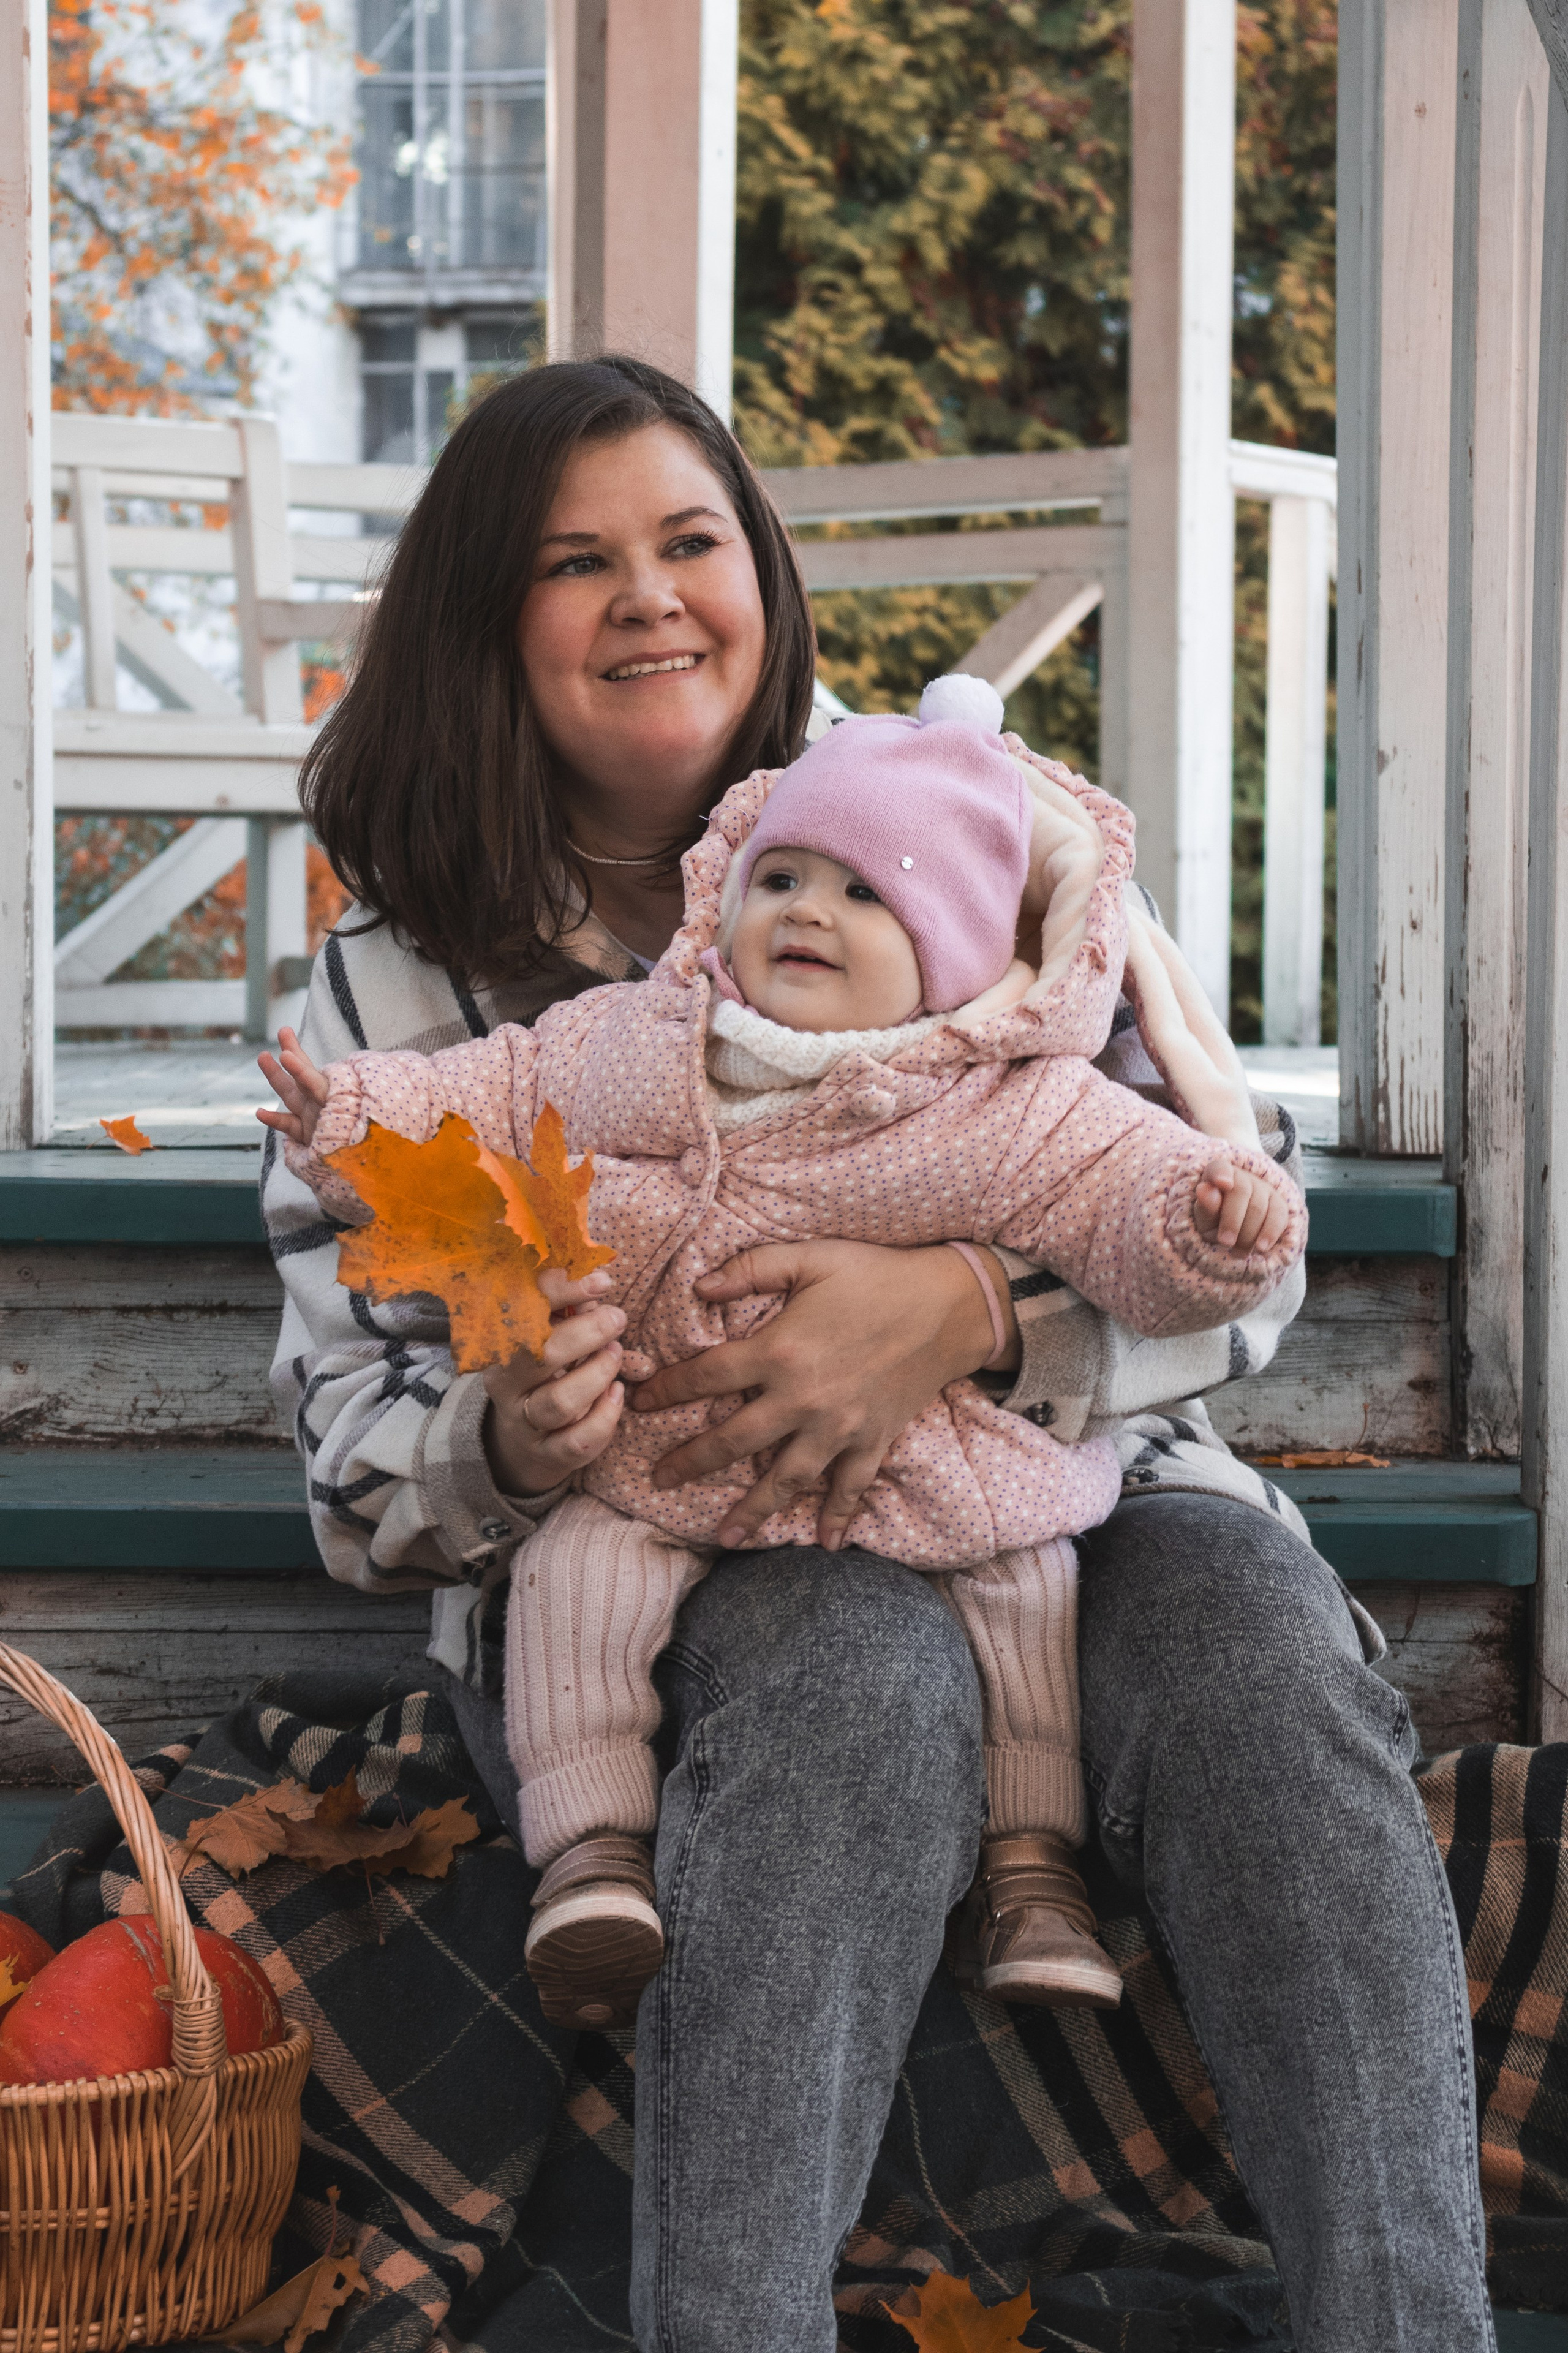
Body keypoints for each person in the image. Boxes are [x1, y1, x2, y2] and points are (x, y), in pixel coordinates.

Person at [262, 354, 1496, 2353]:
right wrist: (506, 1433)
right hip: (665, 1560)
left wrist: (978, 1310)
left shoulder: (974, 827)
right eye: (578, 564)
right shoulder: (401, 975)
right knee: (848, 1666)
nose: (651, 597)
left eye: (691, 540)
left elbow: (1237, 1256)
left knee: (1253, 1632)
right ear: (494, 627)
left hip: (1063, 1484)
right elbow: (358, 1464)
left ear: (763, 572)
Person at [260, 676, 1305, 2030]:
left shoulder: (1002, 1057)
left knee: (1030, 1591)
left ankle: (1031, 1866)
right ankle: (588, 1848)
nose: (811, 910)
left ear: (956, 953)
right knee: (588, 1578)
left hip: (938, 1472)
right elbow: (489, 1091)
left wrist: (1156, 1243)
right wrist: (351, 1114)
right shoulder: (649, 1037)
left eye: (869, 898)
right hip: (657, 1453)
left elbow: (1146, 1199)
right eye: (786, 880)